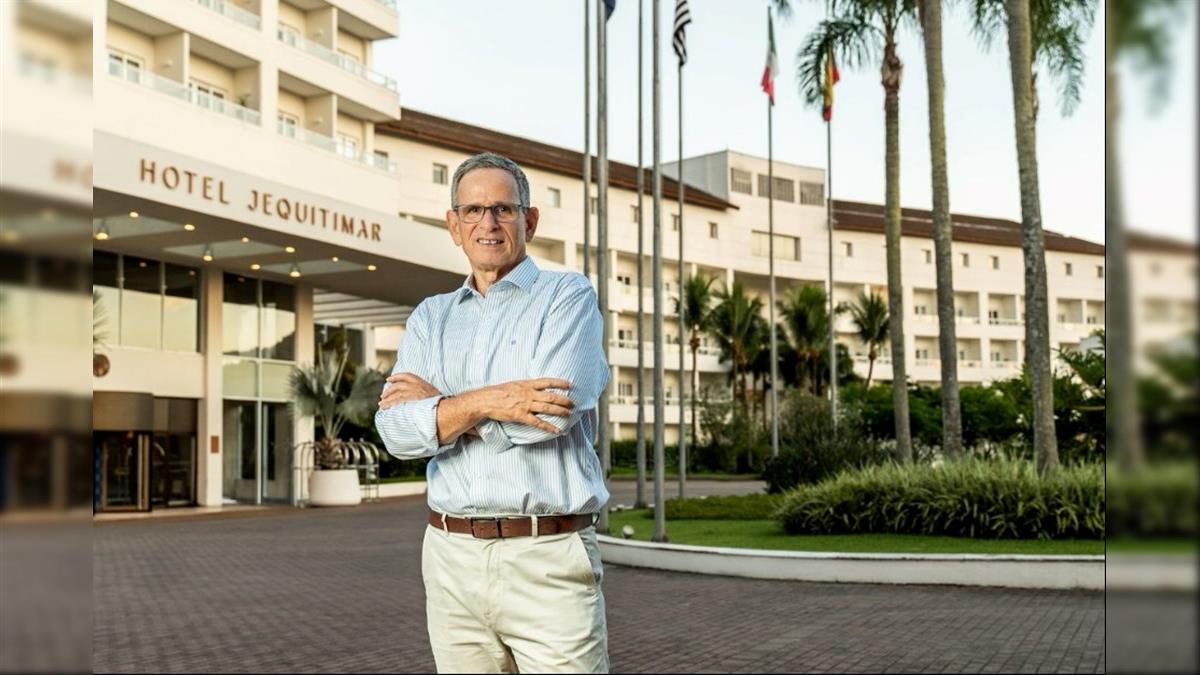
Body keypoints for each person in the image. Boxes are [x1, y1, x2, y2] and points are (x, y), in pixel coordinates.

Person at [375, 152, 610, 674]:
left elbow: (550, 417)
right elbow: (395, 432)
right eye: (473, 210)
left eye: (504, 209)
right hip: (449, 557)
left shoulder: (567, 297)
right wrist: (492, 401)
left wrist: (440, 408)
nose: (488, 223)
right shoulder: (430, 317)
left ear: (530, 220)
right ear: (454, 225)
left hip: (547, 557)